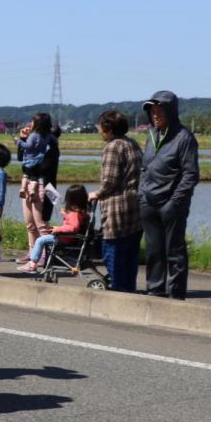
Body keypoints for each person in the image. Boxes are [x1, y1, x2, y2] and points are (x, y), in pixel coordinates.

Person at [138, 90, 199, 299]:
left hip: (171, 205)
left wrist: (174, 202)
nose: (155, 114)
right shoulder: (151, 135)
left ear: (171, 111)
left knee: (174, 252)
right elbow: (145, 168)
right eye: (152, 111)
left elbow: (190, 175)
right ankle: (155, 291)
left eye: (159, 110)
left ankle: (176, 295)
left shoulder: (184, 138)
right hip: (149, 202)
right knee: (153, 251)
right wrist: (141, 194)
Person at [88, 110, 143, 292]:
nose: (98, 129)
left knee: (114, 253)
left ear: (108, 128)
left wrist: (96, 193)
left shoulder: (113, 147)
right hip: (135, 206)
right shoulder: (132, 143)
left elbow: (109, 181)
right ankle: (128, 290)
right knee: (130, 256)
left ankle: (118, 293)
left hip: (117, 208)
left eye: (100, 126)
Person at [18, 185, 90, 273]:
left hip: (64, 239)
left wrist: (58, 229)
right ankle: (35, 261)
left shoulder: (74, 213)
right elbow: (74, 225)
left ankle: (32, 263)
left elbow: (73, 228)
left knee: (40, 240)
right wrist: (66, 217)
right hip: (68, 238)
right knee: (42, 239)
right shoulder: (82, 212)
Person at [16, 113, 55, 254]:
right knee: (30, 224)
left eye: (32, 122)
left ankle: (46, 256)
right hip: (29, 184)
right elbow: (21, 158)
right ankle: (32, 254)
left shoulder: (50, 141)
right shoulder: (34, 138)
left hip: (43, 185)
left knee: (42, 225)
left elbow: (49, 165)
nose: (29, 124)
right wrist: (23, 140)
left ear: (38, 123)